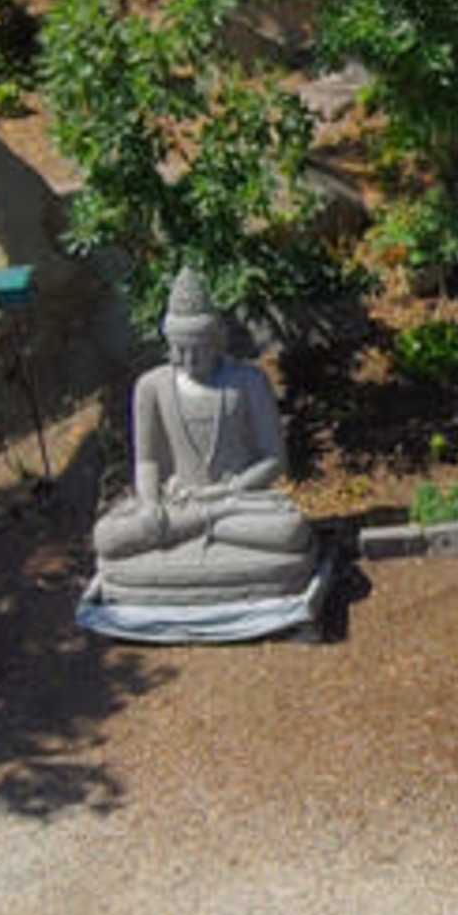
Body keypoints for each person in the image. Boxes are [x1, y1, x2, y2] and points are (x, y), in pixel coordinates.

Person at [81, 270, 327, 639]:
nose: (188, 357)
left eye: (198, 348)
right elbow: (147, 461)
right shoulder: (152, 386)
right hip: (178, 503)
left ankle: (201, 527)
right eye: (179, 348)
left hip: (236, 503)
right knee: (106, 538)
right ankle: (200, 526)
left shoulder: (248, 382)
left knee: (289, 532)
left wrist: (231, 491)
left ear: (218, 340)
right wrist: (149, 504)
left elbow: (275, 459)